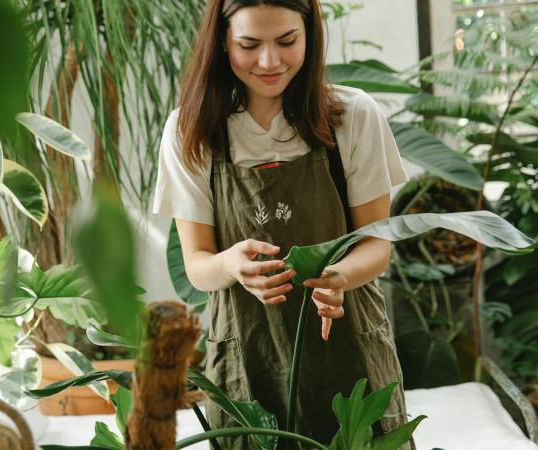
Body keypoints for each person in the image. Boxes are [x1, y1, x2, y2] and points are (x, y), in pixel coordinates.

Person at [152, 0, 414, 448]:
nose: (270, 61)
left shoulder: (353, 117)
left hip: (348, 348)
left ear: (310, 35)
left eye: (287, 41)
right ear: (221, 42)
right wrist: (232, 265)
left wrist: (339, 277)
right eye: (249, 45)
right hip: (247, 357)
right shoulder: (191, 130)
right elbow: (196, 265)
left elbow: (377, 244)